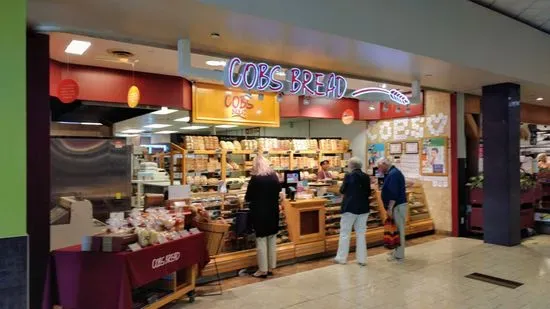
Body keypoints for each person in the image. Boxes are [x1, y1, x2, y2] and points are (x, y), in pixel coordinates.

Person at [245, 155, 282, 278]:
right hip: (273, 211)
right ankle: (271, 267)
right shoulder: (273, 176)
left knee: (261, 239)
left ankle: (262, 270)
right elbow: (279, 191)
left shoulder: (255, 179)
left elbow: (248, 197)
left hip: (260, 212)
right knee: (271, 238)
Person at [334, 157, 371, 266]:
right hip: (364, 208)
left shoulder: (349, 176)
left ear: (351, 166)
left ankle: (341, 258)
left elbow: (342, 190)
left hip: (350, 208)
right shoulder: (366, 176)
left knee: (345, 233)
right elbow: (368, 192)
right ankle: (362, 259)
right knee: (361, 233)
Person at [377, 157, 407, 262]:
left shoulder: (393, 174)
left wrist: (389, 208)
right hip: (396, 206)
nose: (379, 169)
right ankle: (396, 251)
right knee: (395, 231)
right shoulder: (393, 173)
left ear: (384, 164)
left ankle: (399, 255)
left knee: (399, 231)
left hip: (397, 207)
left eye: (380, 166)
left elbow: (393, 194)